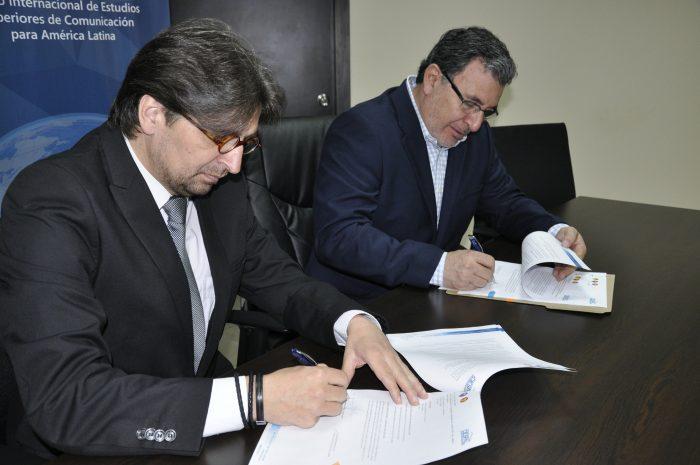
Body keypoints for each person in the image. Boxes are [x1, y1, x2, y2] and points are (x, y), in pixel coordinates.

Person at [0, 19, 427, 460]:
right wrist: (254, 399)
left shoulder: (217, 186)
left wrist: (354, 322)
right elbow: (67, 400)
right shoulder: (50, 202)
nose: (236, 164)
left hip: (199, 419)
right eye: (222, 139)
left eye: (247, 142)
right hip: (93, 445)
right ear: (152, 114)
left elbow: (281, 280)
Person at [307, 27, 587, 301]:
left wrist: (554, 232)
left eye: (486, 111)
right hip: (358, 305)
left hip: (429, 300)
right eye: (470, 103)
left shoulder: (475, 136)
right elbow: (339, 236)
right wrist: (440, 267)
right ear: (432, 79)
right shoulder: (363, 129)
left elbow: (505, 202)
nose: (475, 123)